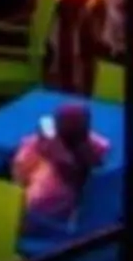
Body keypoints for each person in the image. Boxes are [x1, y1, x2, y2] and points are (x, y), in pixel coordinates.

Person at [12, 98, 108, 230]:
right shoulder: (90, 148)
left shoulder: (44, 190)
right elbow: (101, 144)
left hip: (43, 227)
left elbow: (20, 213)